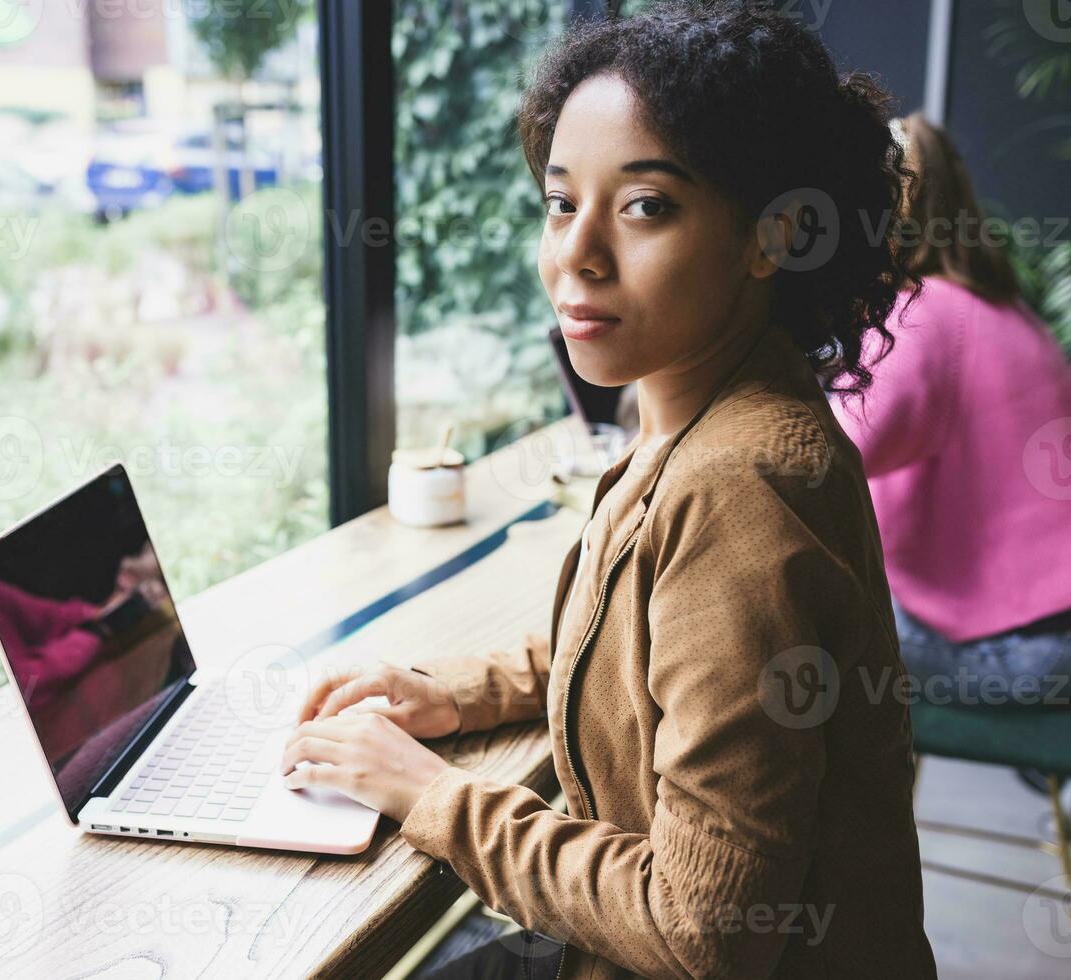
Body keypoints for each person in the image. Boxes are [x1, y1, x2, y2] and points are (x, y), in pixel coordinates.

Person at [280, 3, 938, 978]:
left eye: (645, 206)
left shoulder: (737, 488)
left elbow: (703, 929)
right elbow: (653, 647)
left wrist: (430, 794)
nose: (575, 253)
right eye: (559, 202)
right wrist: (453, 692)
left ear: (774, 236)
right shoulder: (709, 406)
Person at [829, 112, 1071, 716]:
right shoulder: (1006, 307)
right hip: (1049, 634)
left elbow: (825, 451)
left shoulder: (925, 314)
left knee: (784, 623)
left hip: (1022, 653)